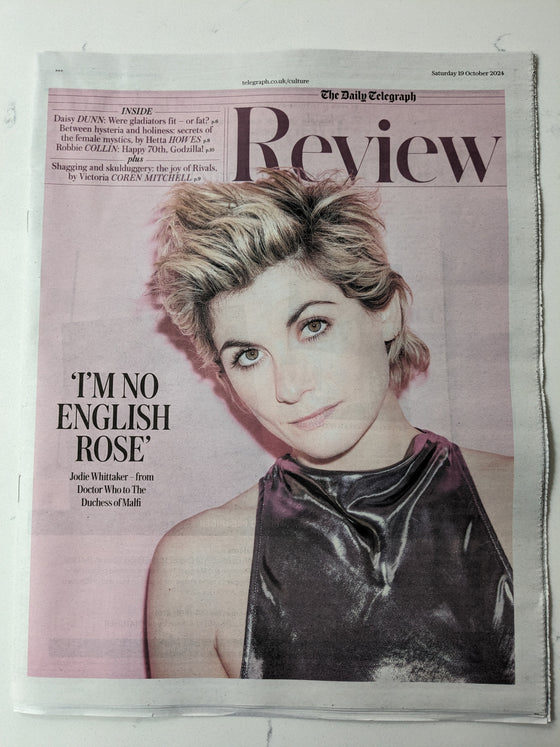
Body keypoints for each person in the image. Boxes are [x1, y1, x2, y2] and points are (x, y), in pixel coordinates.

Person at [147, 168, 514, 683]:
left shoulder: (526, 499)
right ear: (226, 380)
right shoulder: (197, 564)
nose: (289, 386)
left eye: (313, 326)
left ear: (386, 312)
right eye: (249, 355)